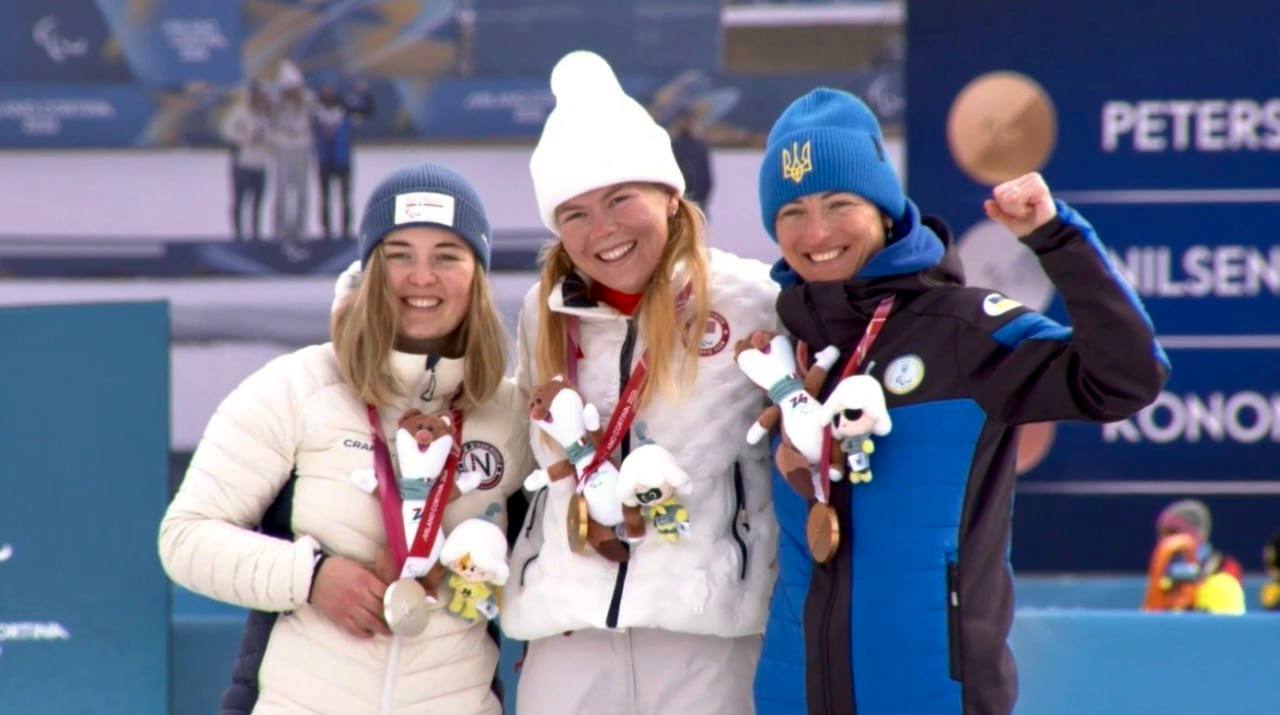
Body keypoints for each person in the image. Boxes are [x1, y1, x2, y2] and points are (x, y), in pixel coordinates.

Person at [749, 88, 1169, 715]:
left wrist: (1057, 240)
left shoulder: (964, 332)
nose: (816, 232)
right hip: (794, 697)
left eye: (839, 204)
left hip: (937, 695)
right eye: (792, 212)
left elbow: (1126, 377)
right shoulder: (781, 348)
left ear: (885, 211)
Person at [159, 163, 531, 713]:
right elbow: (186, 539)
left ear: (477, 275)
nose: (421, 277)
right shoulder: (297, 387)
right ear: (370, 270)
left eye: (447, 256)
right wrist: (311, 578)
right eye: (399, 254)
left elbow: (547, 564)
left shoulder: (510, 414)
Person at [500, 51, 780, 715]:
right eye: (574, 213)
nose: (602, 230)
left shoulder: (751, 300)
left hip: (706, 635)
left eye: (619, 199)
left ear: (669, 196)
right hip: (568, 636)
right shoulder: (543, 313)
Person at [314, 77, 374, 240]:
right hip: (324, 160)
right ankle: (326, 232)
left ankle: (345, 232)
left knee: (345, 198)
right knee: (325, 198)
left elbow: (368, 111)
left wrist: (365, 94)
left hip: (342, 160)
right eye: (325, 88)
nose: (328, 92)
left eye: (330, 88)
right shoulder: (315, 108)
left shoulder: (345, 107)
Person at [269, 61, 314, 241]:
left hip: (302, 151)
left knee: (302, 193)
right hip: (283, 151)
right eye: (290, 88)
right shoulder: (276, 103)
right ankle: (279, 232)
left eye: (296, 87)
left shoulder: (308, 100)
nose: (294, 92)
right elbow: (269, 126)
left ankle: (300, 231)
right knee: (281, 193)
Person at [221, 80, 272, 241]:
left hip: (260, 163)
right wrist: (245, 137)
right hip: (243, 163)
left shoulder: (264, 114)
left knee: (258, 202)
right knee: (240, 200)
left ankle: (256, 235)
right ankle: (238, 236)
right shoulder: (240, 111)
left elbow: (271, 134)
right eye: (256, 95)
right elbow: (227, 131)